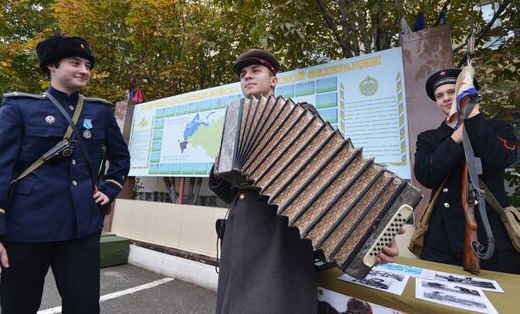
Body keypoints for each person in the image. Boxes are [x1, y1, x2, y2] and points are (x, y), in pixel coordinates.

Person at [209, 49, 400, 314]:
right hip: (240, 230)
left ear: (273, 79)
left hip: (280, 232)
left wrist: (374, 225)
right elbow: (226, 190)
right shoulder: (234, 124)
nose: (247, 78)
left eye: (255, 71)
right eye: (243, 75)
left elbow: (337, 174)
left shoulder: (301, 113)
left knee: (276, 304)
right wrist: (218, 166)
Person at [0, 34, 131, 313]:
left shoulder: (99, 111)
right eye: (75, 62)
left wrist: (109, 188)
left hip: (81, 226)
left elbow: (120, 156)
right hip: (26, 227)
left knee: (84, 306)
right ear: (52, 67)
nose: (84, 70)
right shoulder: (19, 107)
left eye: (88, 65)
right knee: (19, 305)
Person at [414, 68, 519, 274]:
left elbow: (502, 157)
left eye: (452, 92)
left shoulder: (497, 128)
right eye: (439, 95)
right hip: (442, 242)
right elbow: (426, 175)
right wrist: (456, 138)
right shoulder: (429, 138)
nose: (445, 99)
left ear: (466, 95)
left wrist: (473, 120)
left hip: (493, 237)